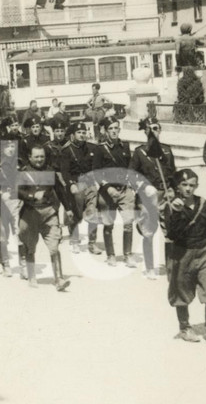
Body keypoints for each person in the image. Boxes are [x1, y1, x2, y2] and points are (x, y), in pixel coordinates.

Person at [162, 170, 206, 345]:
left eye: (192, 185)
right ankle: (184, 328)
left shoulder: (204, 204)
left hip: (203, 251)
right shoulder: (170, 206)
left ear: (196, 186)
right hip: (182, 254)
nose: (188, 189)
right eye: (184, 185)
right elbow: (173, 234)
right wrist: (176, 213)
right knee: (181, 292)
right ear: (177, 187)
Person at [18, 145, 71, 291]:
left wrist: (68, 208)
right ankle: (32, 276)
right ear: (30, 157)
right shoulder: (23, 172)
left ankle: (59, 278)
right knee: (30, 247)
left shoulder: (50, 171)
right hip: (30, 213)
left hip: (49, 213)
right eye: (36, 157)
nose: (40, 159)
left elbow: (60, 190)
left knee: (54, 247)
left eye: (42, 156)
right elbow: (16, 191)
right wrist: (32, 196)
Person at [129, 121, 176, 280]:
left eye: (155, 129)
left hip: (165, 196)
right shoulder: (140, 152)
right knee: (149, 233)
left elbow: (173, 173)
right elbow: (131, 175)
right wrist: (143, 186)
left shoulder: (167, 151)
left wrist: (173, 190)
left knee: (170, 233)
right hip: (147, 197)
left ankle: (170, 270)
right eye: (149, 129)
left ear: (160, 131)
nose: (152, 132)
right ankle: (149, 268)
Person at [92, 118, 135, 267]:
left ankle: (128, 254)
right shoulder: (100, 149)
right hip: (107, 192)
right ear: (105, 130)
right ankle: (111, 255)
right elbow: (96, 173)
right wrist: (108, 188)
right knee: (108, 224)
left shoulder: (125, 146)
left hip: (124, 191)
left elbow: (129, 167)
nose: (114, 131)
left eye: (116, 128)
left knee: (128, 223)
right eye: (110, 128)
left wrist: (131, 185)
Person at [60, 121, 100, 254]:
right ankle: (75, 241)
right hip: (76, 185)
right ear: (73, 135)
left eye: (84, 132)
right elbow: (65, 171)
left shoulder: (92, 148)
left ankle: (92, 243)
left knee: (93, 214)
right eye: (79, 133)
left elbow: (96, 167)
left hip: (90, 184)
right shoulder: (67, 150)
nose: (82, 135)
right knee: (76, 216)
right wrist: (71, 184)